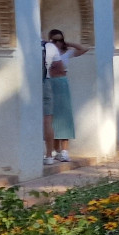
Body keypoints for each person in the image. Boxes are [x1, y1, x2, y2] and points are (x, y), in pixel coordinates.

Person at [42, 28, 89, 163]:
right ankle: (54, 150)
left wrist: (67, 43)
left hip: (61, 84)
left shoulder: (66, 53)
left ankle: (64, 150)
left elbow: (84, 49)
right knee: (52, 117)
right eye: (54, 40)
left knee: (64, 116)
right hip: (50, 82)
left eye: (60, 40)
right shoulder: (48, 51)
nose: (58, 43)